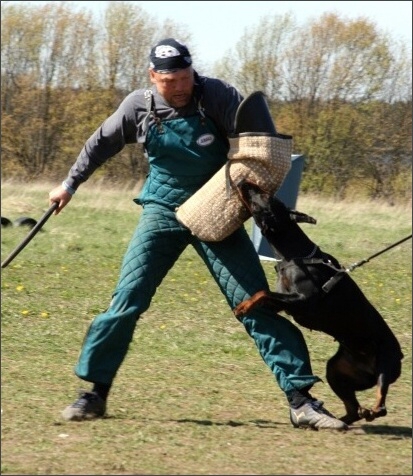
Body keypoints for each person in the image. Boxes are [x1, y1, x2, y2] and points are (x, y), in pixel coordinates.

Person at [49, 38, 348, 431]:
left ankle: (301, 401)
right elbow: (99, 144)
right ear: (153, 76)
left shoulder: (218, 96)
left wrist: (256, 196)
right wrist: (69, 185)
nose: (180, 86)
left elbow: (259, 147)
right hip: (163, 208)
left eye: (185, 77)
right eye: (170, 80)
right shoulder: (137, 107)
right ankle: (94, 393)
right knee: (127, 300)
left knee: (254, 302)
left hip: (217, 209)